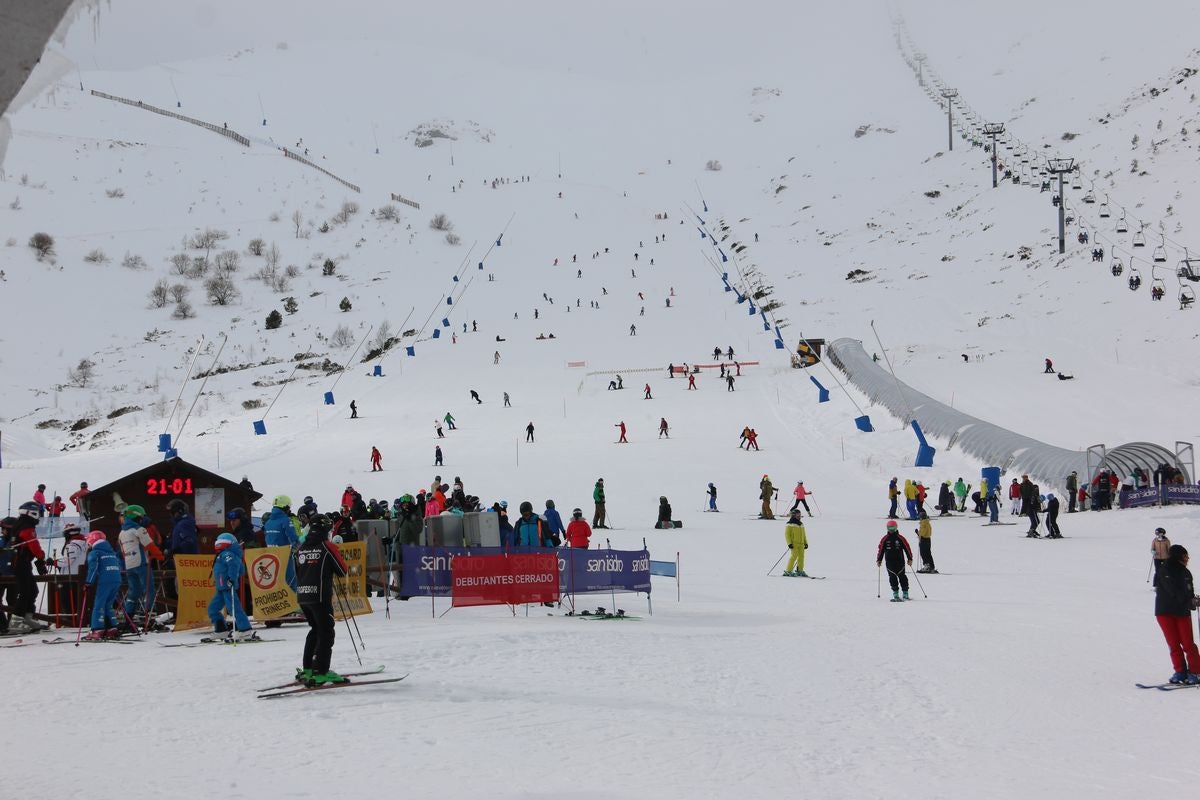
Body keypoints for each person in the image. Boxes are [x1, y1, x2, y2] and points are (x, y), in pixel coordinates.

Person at [294, 515, 350, 685]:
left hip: (303, 595)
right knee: (326, 632)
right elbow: (342, 569)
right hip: (319, 596)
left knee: (315, 630)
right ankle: (320, 670)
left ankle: (308, 668)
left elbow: (297, 571)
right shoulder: (327, 546)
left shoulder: (301, 547)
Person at [1154, 544, 1200, 684]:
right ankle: (1180, 671)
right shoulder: (1164, 571)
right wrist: (1189, 601)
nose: (1187, 558)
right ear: (1178, 557)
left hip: (1181, 612)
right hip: (1165, 612)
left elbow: (1188, 592)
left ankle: (1195, 671)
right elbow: (1173, 591)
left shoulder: (1186, 573)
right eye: (1185, 556)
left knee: (1187, 643)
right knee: (1173, 643)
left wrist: (1194, 600)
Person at [118, 504, 163, 627]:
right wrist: (160, 556)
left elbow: (122, 551)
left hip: (129, 565)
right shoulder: (139, 529)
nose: (142, 519)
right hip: (141, 564)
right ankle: (147, 616)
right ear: (136, 516)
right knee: (148, 589)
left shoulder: (122, 533)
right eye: (141, 516)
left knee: (133, 591)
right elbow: (149, 545)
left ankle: (129, 617)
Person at [7, 504, 49, 632]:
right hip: (20, 563)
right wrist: (41, 556)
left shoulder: (21, 524)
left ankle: (27, 617)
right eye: (39, 513)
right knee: (25, 591)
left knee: (33, 590)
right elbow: (33, 544)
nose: (40, 516)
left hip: (23, 562)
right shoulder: (26, 526)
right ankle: (16, 621)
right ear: (31, 513)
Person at [209, 533, 253, 639]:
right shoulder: (223, 554)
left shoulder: (228, 554)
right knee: (213, 609)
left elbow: (234, 566)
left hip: (228, 587)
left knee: (234, 608)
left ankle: (245, 629)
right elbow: (240, 569)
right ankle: (221, 630)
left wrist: (231, 579)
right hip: (221, 588)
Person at [83, 531, 122, 640]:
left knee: (99, 604)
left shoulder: (95, 553)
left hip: (105, 580)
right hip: (116, 579)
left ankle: (97, 629)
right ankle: (112, 628)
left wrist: (88, 583)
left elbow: (93, 568)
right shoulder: (111, 552)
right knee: (108, 604)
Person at [265, 495, 300, 592]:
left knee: (277, 584)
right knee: (291, 583)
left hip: (271, 559)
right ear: (285, 507)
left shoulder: (268, 522)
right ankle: (295, 606)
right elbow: (294, 539)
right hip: (285, 557)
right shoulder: (285, 520)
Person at [877, 520, 913, 601]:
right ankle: (895, 594)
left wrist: (910, 558)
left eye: (893, 527)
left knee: (902, 577)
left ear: (896, 528)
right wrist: (879, 560)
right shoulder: (885, 539)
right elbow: (881, 550)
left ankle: (905, 593)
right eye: (890, 528)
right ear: (887, 528)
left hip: (900, 561)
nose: (891, 529)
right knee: (892, 577)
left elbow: (907, 548)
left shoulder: (900, 538)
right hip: (890, 562)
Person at [783, 510, 808, 577]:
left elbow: (804, 534)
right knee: (794, 556)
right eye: (798, 515)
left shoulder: (801, 524)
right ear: (793, 515)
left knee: (801, 557)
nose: (799, 516)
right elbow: (787, 534)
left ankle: (800, 570)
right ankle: (788, 571)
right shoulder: (790, 524)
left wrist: (806, 543)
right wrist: (789, 543)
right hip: (794, 544)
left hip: (801, 544)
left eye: (800, 515)